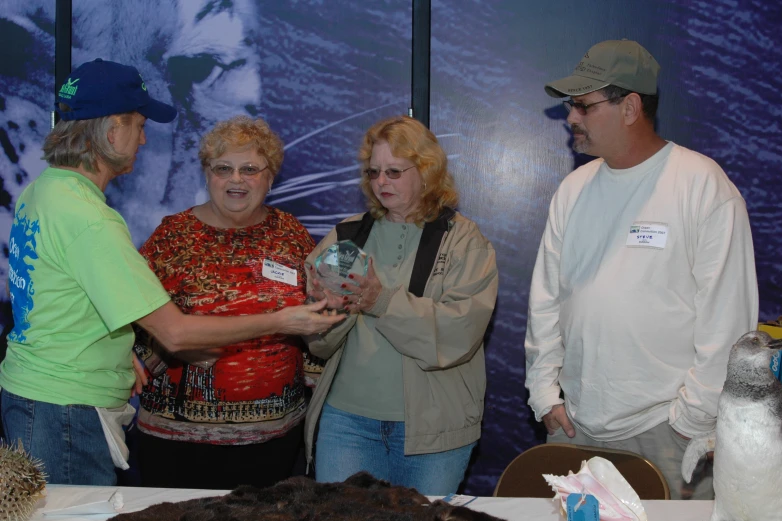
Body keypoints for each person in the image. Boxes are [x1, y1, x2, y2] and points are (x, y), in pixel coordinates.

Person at [0, 59, 343, 486]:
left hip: (46, 395)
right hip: (67, 408)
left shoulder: (44, 190)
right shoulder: (90, 219)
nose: (144, 139)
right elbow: (174, 333)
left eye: (250, 169)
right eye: (139, 126)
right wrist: (280, 321)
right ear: (112, 132)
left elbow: (71, 300)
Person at [524, 39, 758, 500]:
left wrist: (689, 421)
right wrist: (545, 395)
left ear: (630, 107)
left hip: (667, 435)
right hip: (576, 428)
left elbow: (728, 322)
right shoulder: (573, 190)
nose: (572, 118)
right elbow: (546, 300)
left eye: (583, 106)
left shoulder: (702, 186)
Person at [303, 115, 498, 495]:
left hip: (433, 431)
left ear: (427, 172)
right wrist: (330, 311)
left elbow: (459, 334)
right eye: (374, 172)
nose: (381, 182)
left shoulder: (464, 241)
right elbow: (319, 345)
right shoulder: (346, 235)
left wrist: (380, 301)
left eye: (394, 171)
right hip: (347, 424)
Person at [134, 115, 320, 490]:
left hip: (276, 441)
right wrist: (166, 348)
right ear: (207, 174)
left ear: (270, 177)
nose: (237, 179)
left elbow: (314, 317)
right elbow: (134, 319)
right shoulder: (172, 236)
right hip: (178, 444)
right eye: (224, 168)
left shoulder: (291, 233)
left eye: (250, 169)